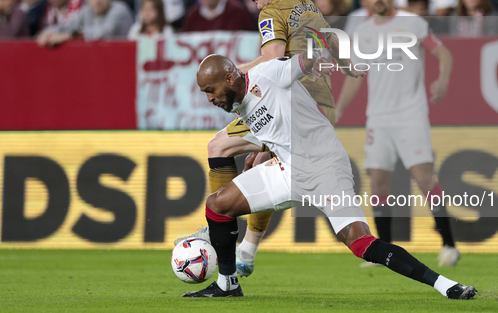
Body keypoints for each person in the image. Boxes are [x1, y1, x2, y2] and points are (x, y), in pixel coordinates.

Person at [182, 51, 477, 299]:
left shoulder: (270, 73)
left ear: (229, 78)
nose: (209, 98)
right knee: (217, 205)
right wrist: (264, 150)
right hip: (287, 171)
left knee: (360, 243)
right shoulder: (240, 103)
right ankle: (227, 284)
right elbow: (284, 124)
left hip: (325, 169)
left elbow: (309, 58)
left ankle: (446, 285)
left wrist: (338, 55)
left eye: (210, 90)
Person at [175, 0, 362, 277]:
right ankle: (246, 251)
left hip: (287, 104)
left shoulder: (270, 12)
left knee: (218, 147)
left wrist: (230, 73)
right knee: (258, 164)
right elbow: (330, 40)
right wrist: (350, 66)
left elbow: (272, 57)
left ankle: (219, 224)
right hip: (320, 108)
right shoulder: (306, 6)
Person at [335, 0, 459, 267]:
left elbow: (444, 55)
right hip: (377, 117)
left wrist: (442, 80)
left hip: (411, 114)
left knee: (424, 179)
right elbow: (356, 75)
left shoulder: (413, 23)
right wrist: (338, 109)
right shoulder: (363, 32)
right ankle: (383, 253)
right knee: (378, 184)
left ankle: (449, 244)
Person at [37, 0, 133, 46]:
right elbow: (66, 26)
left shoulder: (120, 9)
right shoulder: (87, 10)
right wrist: (47, 33)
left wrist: (68, 36)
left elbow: (103, 34)